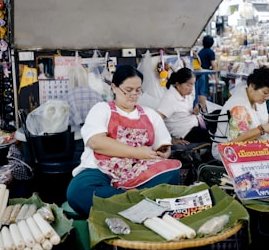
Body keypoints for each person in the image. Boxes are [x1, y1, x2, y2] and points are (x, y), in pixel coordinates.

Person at [66, 65, 182, 217]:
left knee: (171, 172)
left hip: (139, 172)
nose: (134, 94)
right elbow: (96, 142)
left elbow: (163, 145)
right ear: (114, 88)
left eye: (138, 90)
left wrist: (163, 152)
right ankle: (138, 206)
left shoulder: (150, 114)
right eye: (128, 90)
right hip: (101, 170)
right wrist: (137, 152)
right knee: (78, 191)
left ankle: (122, 204)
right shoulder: (101, 109)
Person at [210, 66, 269, 162]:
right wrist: (262, 129)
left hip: (249, 147)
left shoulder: (257, 100)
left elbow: (255, 119)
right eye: (266, 92)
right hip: (228, 152)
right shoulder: (238, 107)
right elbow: (234, 144)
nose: (267, 97)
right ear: (252, 86)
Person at [157, 67, 210, 144]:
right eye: (188, 85)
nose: (191, 88)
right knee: (213, 136)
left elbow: (182, 112)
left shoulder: (187, 94)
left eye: (193, 84)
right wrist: (171, 140)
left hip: (194, 126)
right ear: (178, 84)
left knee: (216, 122)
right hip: (185, 134)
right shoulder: (170, 99)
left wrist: (194, 112)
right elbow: (156, 120)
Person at [65, 61, 105, 161]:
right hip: (95, 138)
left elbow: (65, 121)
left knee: (77, 164)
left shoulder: (67, 96)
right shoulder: (96, 94)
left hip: (76, 139)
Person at [196, 34, 218, 111]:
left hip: (197, 73)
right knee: (203, 92)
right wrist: (216, 79)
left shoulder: (200, 51)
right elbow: (214, 65)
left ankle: (200, 109)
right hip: (204, 74)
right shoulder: (210, 52)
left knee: (198, 92)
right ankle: (204, 110)